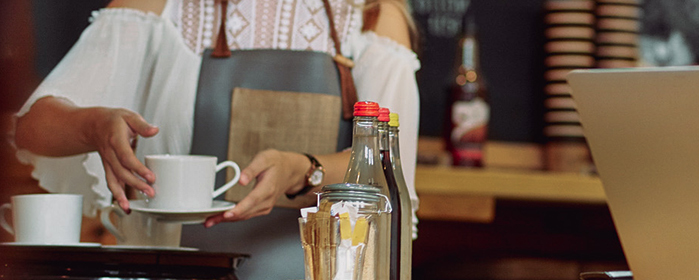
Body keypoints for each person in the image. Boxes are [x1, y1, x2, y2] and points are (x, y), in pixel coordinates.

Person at [12, 0, 419, 278]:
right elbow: (32, 128)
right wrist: (94, 125)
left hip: (315, 270)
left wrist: (302, 170)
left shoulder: (371, 13)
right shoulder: (163, 5)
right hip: (166, 266)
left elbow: (386, 166)